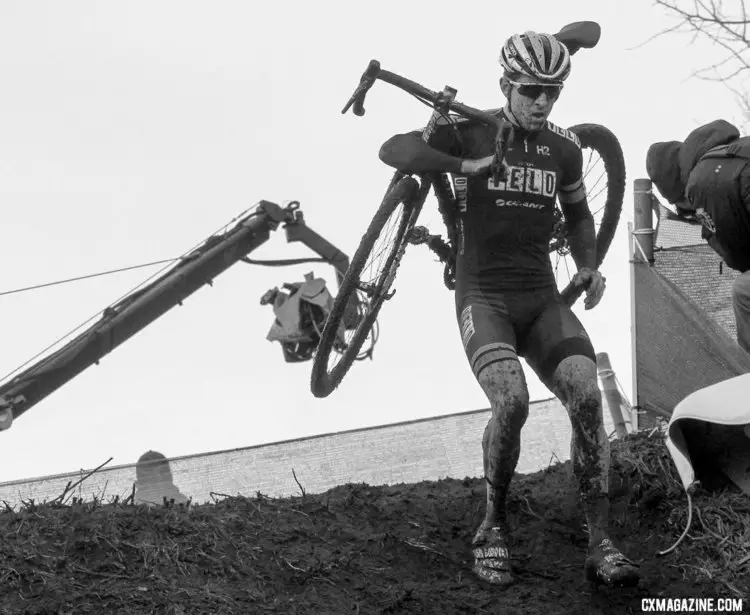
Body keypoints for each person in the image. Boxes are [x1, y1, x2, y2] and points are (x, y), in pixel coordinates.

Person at [378, 31, 639, 588]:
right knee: (512, 402)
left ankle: (601, 542)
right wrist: (461, 164)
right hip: (484, 297)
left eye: (553, 91)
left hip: (542, 300)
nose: (542, 102)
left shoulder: (564, 149)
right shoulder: (472, 129)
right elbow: (394, 149)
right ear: (505, 85)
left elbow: (579, 216)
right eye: (530, 90)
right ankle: (493, 524)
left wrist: (589, 265)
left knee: (587, 398)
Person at [646, 120, 750, 355]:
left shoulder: (700, 182)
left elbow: (739, 258)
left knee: (744, 291)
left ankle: (747, 383)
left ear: (680, 191)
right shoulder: (734, 152)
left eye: (680, 205)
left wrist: (709, 229)